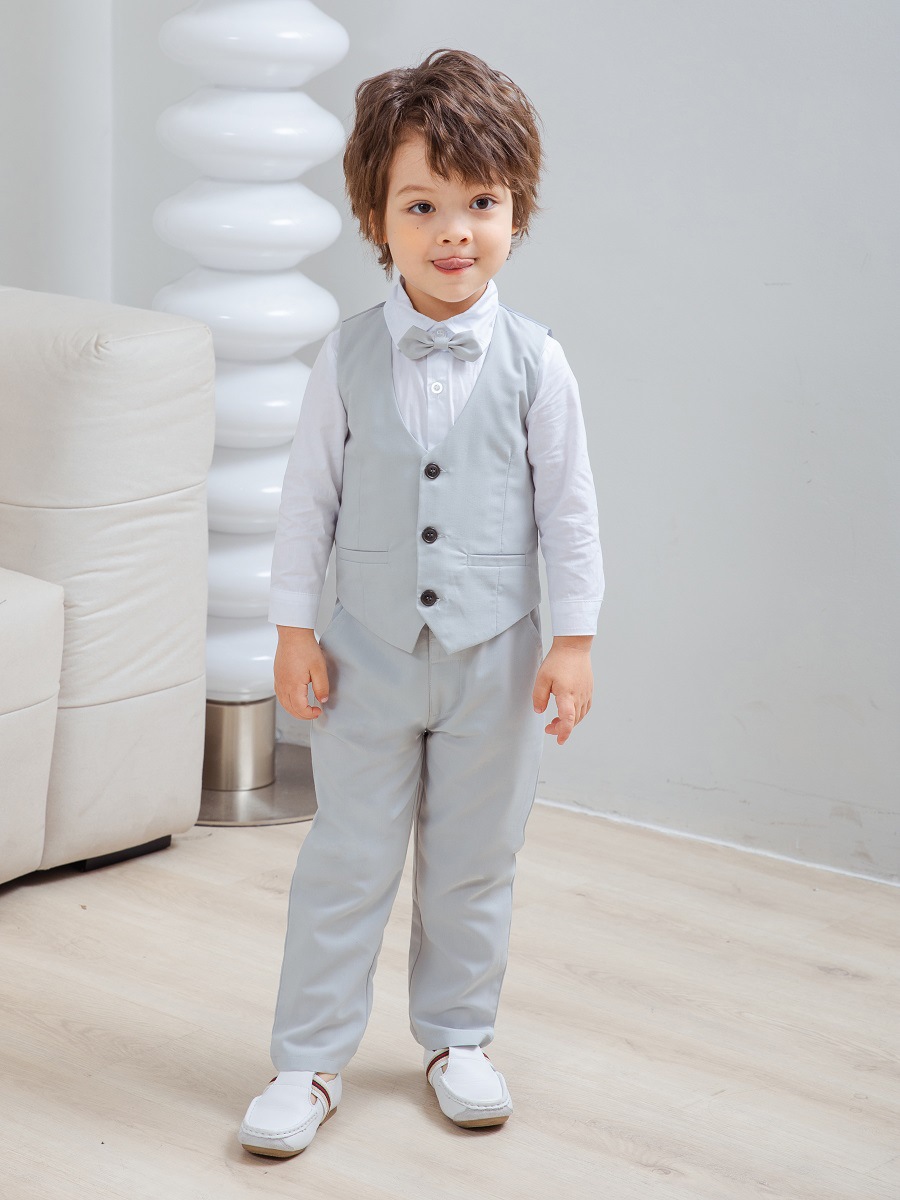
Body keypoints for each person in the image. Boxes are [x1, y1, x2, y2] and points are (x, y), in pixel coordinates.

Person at [238, 47, 604, 1158]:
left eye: (481, 203)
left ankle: (457, 1038)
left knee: (475, 860)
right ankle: (308, 1058)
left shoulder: (539, 364)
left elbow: (571, 513)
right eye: (422, 205)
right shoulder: (346, 357)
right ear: (375, 218)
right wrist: (293, 630)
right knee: (347, 857)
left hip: (499, 657)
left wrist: (574, 642)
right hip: (368, 653)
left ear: (516, 210)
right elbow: (307, 502)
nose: (455, 231)